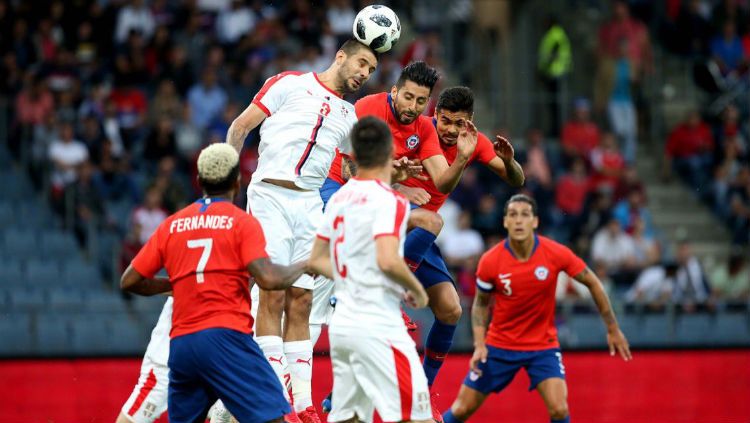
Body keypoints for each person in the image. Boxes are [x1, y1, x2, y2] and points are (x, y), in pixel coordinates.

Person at [224, 39, 378, 422]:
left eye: (371, 71)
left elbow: (350, 169)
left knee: (303, 302)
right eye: (361, 63)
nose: (364, 74)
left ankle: (304, 406)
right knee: (272, 295)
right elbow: (241, 126)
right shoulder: (289, 83)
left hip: (310, 204)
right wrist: (228, 185)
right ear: (340, 56)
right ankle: (274, 400)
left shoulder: (349, 115)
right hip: (270, 194)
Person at [120, 143, 307, 423]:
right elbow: (268, 278)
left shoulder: (172, 224)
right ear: (237, 181)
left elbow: (129, 281)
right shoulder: (242, 222)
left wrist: (171, 285)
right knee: (275, 419)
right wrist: (306, 264)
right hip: (226, 338)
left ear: (199, 181)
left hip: (182, 345)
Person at [442, 194, 631, 423]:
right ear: (505, 222)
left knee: (559, 410)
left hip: (543, 347)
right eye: (513, 215)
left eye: (525, 215)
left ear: (535, 221)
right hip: (499, 346)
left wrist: (612, 328)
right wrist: (480, 344)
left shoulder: (555, 253)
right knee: (461, 410)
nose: (519, 220)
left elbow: (593, 282)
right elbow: (481, 304)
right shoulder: (490, 261)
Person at [396, 86, 524, 420]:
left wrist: (510, 162)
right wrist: (398, 185)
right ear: (434, 115)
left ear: (470, 122)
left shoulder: (474, 142)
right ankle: (394, 289)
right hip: (390, 224)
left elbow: (517, 180)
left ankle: (421, 394)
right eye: (446, 120)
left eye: (459, 122)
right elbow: (371, 169)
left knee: (451, 310)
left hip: (420, 236)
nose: (451, 129)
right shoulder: (416, 130)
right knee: (434, 220)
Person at [308, 116, 432, 423]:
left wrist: (354, 274)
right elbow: (388, 260)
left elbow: (316, 260)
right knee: (418, 417)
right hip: (378, 324)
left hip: (343, 326)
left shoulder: (339, 198)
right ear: (390, 151)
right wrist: (418, 291)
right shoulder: (393, 200)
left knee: (350, 418)